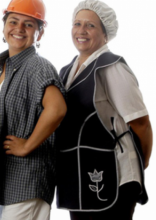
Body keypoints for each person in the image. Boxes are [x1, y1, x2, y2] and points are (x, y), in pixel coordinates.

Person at [55, 1, 153, 219]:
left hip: (115, 173)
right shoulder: (65, 71)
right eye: (77, 23)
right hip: (79, 174)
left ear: (105, 33)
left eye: (90, 26)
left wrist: (140, 163)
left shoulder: (112, 67)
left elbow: (141, 123)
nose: (81, 30)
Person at [0, 0, 67, 219]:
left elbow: (57, 109)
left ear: (40, 32)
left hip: (28, 177)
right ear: (4, 26)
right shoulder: (1, 67)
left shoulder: (38, 66)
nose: (19, 29)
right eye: (13, 21)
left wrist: (27, 145)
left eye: (28, 24)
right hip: (6, 177)